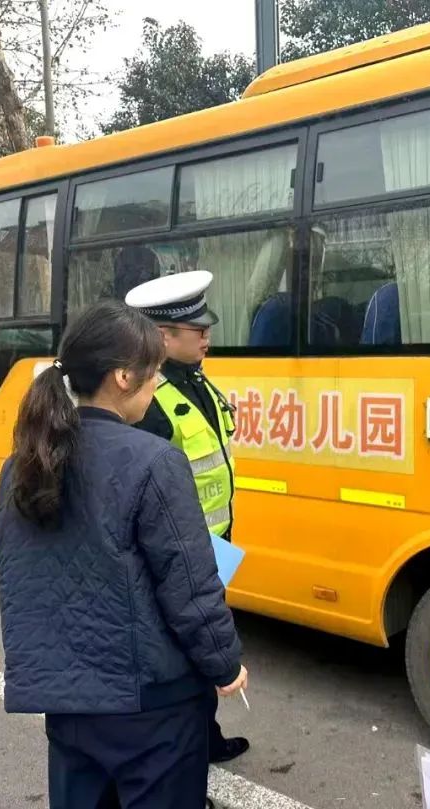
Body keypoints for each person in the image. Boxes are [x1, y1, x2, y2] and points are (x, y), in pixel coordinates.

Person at [0, 299, 247, 809]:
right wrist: (226, 666)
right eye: (153, 372)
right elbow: (190, 589)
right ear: (124, 378)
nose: (158, 383)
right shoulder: (153, 461)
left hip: (66, 703)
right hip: (149, 708)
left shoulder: (21, 464)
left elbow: (21, 575)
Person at [124, 270, 248, 764]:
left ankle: (206, 739)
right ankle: (185, 757)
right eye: (197, 330)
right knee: (182, 654)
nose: (207, 337)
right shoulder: (151, 402)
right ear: (162, 337)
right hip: (179, 550)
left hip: (214, 543)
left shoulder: (197, 383)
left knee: (201, 648)